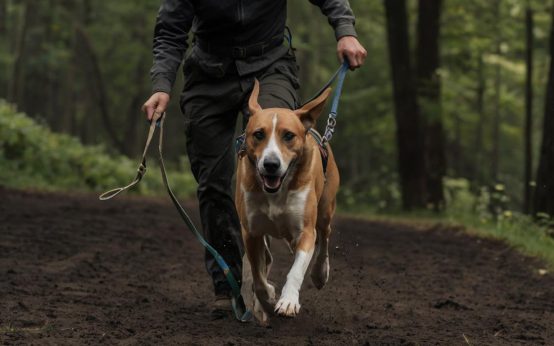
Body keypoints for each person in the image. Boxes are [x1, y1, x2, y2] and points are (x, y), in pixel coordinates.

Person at [142, 0, 366, 318]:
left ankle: (296, 230)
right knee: (214, 182)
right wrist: (162, 85)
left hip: (270, 64)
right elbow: (170, 28)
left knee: (282, 150)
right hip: (208, 72)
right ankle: (230, 284)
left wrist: (345, 30)